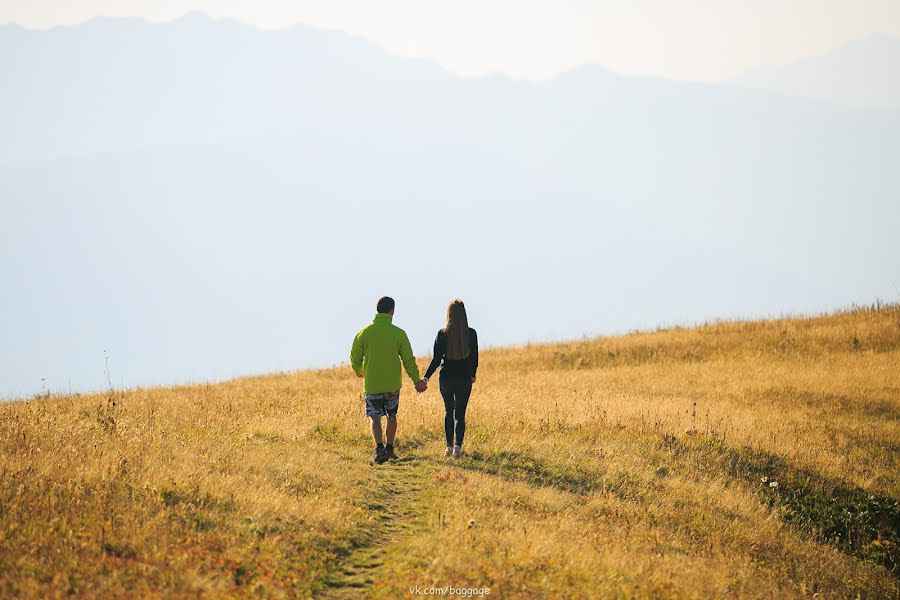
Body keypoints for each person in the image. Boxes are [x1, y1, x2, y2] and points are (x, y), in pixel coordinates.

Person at [351, 296, 427, 464]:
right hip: (392, 384)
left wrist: (359, 370)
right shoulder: (399, 333)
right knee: (391, 416)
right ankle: (390, 448)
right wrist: (416, 380)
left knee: (375, 418)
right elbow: (408, 360)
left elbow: (354, 357)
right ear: (392, 311)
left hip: (372, 384)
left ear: (377, 310)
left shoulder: (363, 333)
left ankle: (379, 449)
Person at [423, 299, 478, 458]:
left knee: (448, 411)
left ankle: (448, 446)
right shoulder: (471, 333)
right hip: (464, 378)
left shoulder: (442, 334)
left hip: (446, 378)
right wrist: (473, 373)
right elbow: (475, 356)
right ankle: (458, 447)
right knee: (460, 414)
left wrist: (426, 377)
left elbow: (436, 359)